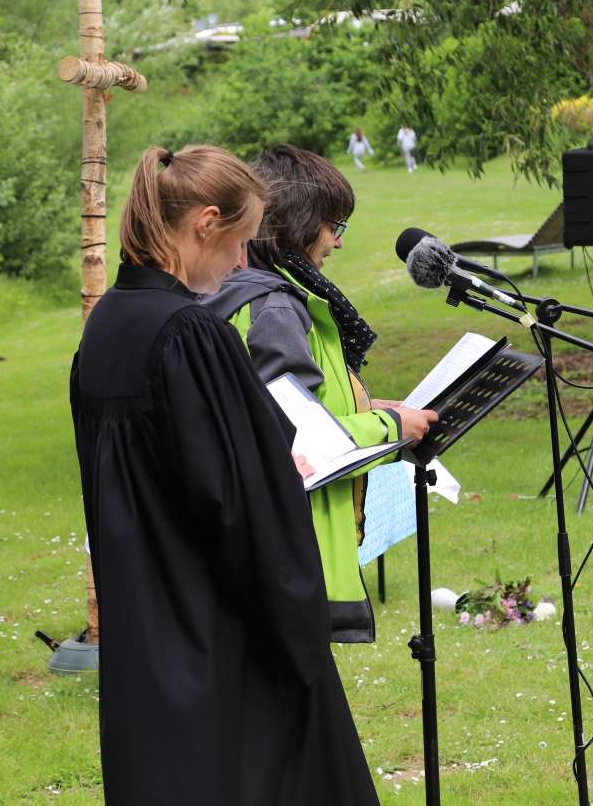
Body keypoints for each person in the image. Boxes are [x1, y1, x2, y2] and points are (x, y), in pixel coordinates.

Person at [70, 145, 379, 805]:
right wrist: (299, 629)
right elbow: (242, 507)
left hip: (144, 637)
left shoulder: (105, 329)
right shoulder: (188, 335)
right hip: (217, 641)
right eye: (241, 242)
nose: (244, 263)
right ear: (206, 223)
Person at [203, 145, 436, 643]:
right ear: (297, 223)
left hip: (273, 559)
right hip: (286, 558)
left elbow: (299, 405)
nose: (337, 242)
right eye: (333, 225)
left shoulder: (263, 294)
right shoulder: (274, 307)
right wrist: (395, 427)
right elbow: (294, 441)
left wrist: (366, 407)